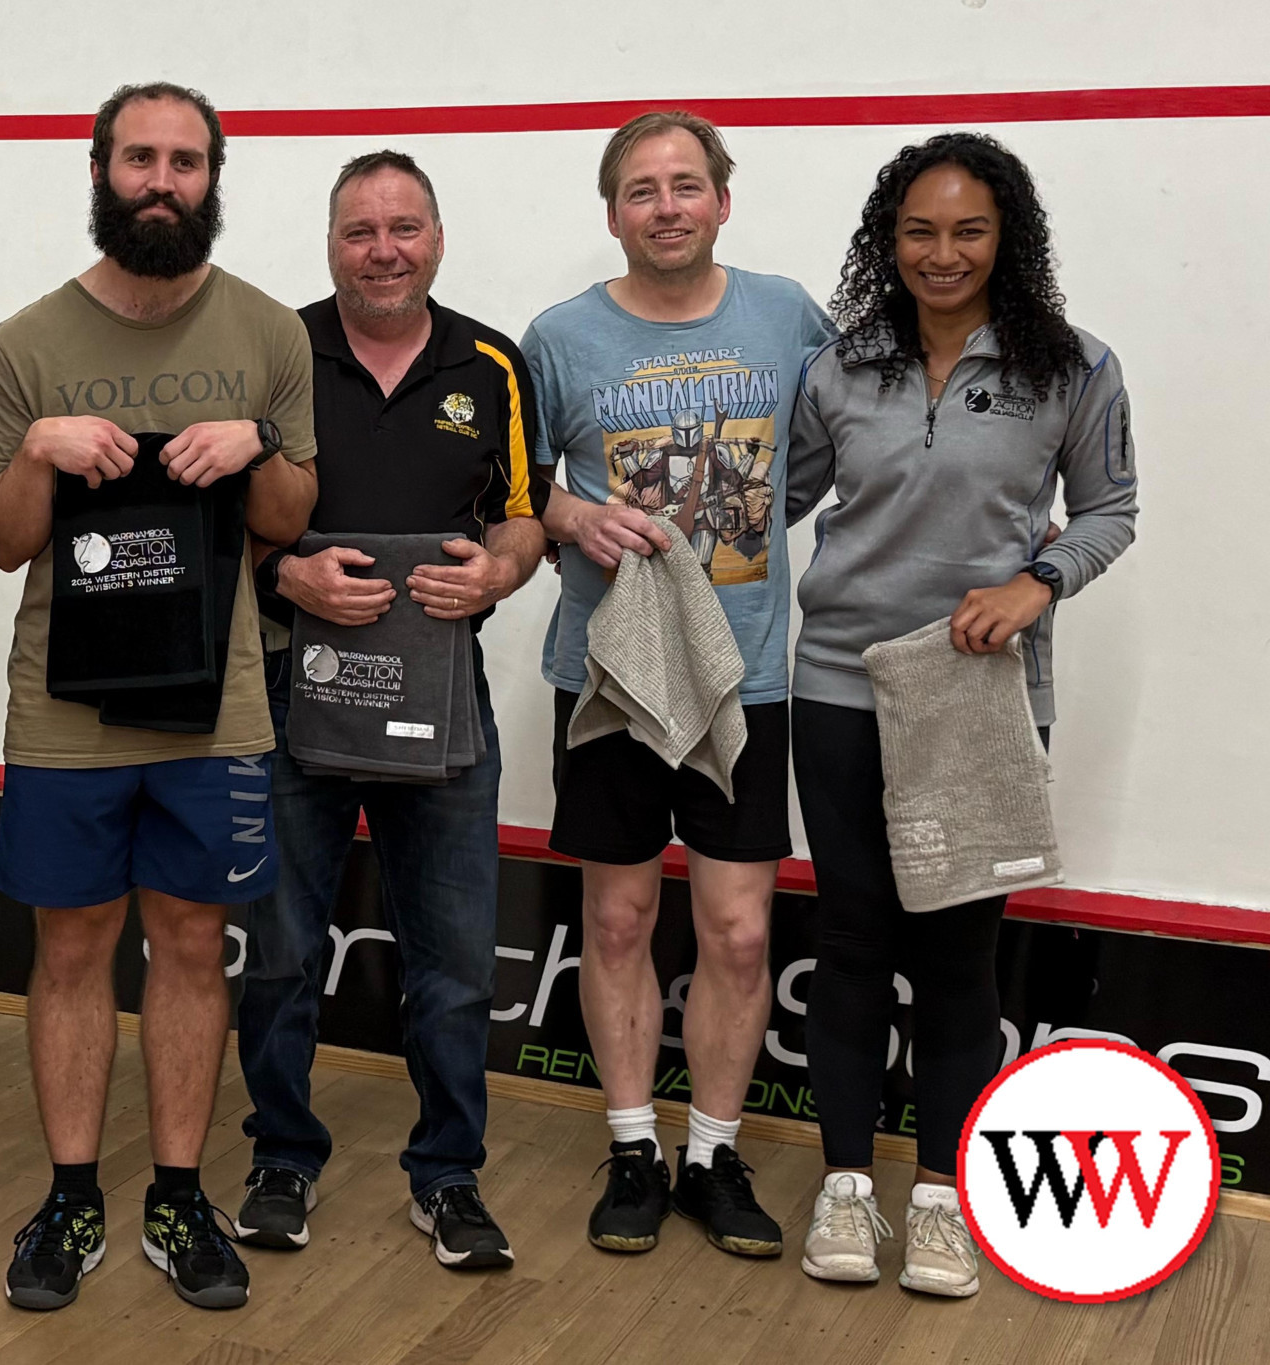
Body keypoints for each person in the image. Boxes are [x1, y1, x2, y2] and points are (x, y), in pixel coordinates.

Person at [0, 81, 317, 1312]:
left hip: (213, 707)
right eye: (137, 159)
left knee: (184, 945)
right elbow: (3, 543)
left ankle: (177, 1196)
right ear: (99, 170)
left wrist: (254, 450)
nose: (159, 180)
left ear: (213, 176)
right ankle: (71, 1197)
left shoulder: (272, 336)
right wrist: (33, 455)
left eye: (183, 160)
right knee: (68, 950)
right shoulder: (22, 344)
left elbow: (288, 521)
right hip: (62, 715)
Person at [787, 131, 1137, 1297]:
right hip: (839, 685)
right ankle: (845, 1188)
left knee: (954, 954)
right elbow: (762, 504)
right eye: (918, 230)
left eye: (967, 230)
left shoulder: (1073, 368)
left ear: (1006, 240)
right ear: (886, 241)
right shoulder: (840, 366)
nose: (941, 253)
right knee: (848, 940)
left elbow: (1107, 512)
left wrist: (1037, 583)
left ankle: (938, 1196)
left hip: (977, 698)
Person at [522, 111, 835, 1258]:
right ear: (611, 213)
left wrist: (737, 536)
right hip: (607, 672)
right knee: (614, 917)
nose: (665, 206)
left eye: (685, 185)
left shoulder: (788, 314)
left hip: (744, 677)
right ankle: (629, 1147)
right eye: (641, 190)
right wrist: (574, 513)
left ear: (721, 200)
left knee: (741, 935)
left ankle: (710, 1151)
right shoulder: (558, 336)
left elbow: (829, 450)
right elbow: (519, 491)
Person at [233, 151, 544, 1270]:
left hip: (439, 702)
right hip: (291, 700)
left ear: (436, 238)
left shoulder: (493, 364)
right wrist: (287, 579)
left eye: (402, 227)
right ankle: (279, 1157)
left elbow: (523, 516)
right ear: (329, 243)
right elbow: (230, 523)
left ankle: (448, 1177)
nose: (382, 249)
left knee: (454, 959)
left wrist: (498, 576)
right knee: (276, 948)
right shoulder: (272, 352)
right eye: (359, 230)